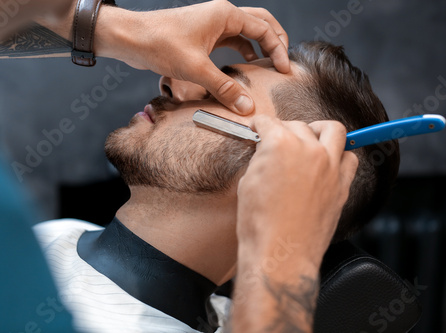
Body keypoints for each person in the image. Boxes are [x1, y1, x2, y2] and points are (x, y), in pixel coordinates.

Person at [33, 41, 399, 332]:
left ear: (276, 160)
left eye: (223, 93)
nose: (172, 80)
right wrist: (107, 29)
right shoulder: (54, 234)